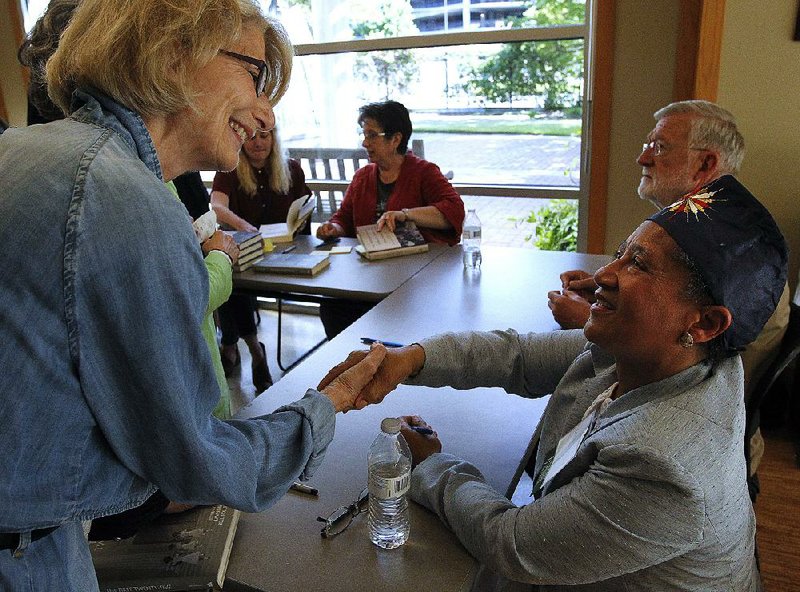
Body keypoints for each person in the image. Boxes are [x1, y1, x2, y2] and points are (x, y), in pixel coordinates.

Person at [0, 2, 385, 589]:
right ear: (173, 51)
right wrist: (326, 404)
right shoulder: (122, 198)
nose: (263, 111)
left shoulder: (30, 153)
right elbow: (194, 460)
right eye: (254, 75)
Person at [321, 175, 787, 590]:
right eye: (622, 253)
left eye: (638, 266)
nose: (605, 275)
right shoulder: (665, 356)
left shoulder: (667, 468)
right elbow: (517, 356)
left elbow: (513, 543)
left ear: (705, 323)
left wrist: (431, 466)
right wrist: (410, 358)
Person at [547, 100, 790, 482]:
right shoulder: (699, 229)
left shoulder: (747, 267)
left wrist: (592, 320)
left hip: (685, 451)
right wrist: (601, 287)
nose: (643, 157)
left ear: (706, 164)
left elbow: (696, 375)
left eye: (659, 147)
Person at [315, 100, 465, 337]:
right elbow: (343, 218)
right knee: (332, 304)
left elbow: (454, 211)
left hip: (414, 278)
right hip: (368, 274)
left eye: (372, 135)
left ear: (396, 139)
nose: (365, 142)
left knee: (392, 315)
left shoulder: (424, 172)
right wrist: (333, 228)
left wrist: (406, 214)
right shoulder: (363, 176)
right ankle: (354, 362)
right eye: (364, 135)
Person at [211, 125, 311, 392]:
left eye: (264, 136)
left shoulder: (291, 168)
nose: (258, 143)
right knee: (232, 284)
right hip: (246, 250)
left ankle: (231, 345)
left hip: (284, 254)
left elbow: (305, 205)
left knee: (232, 284)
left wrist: (299, 221)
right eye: (251, 137)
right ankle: (256, 351)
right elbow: (217, 206)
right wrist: (242, 225)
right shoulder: (230, 168)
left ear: (274, 138)